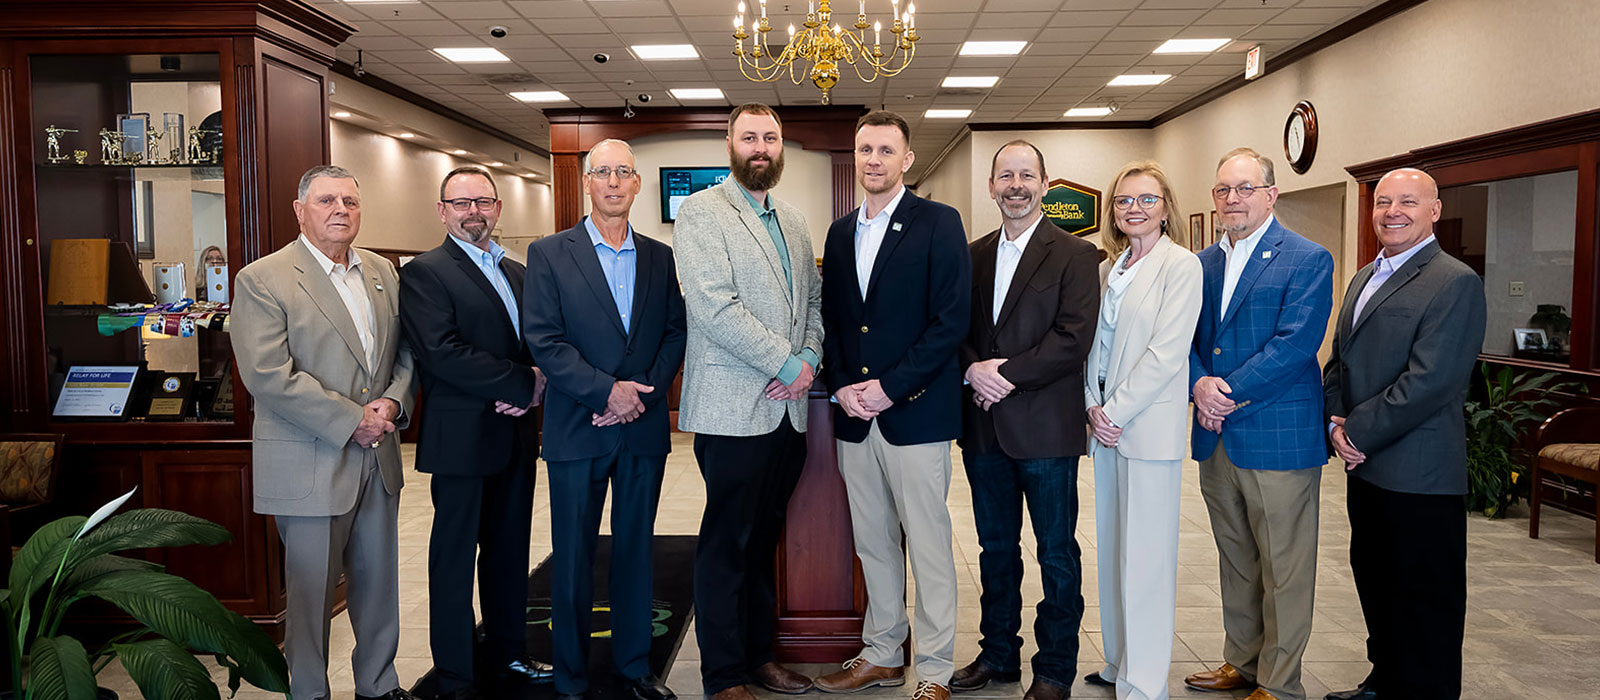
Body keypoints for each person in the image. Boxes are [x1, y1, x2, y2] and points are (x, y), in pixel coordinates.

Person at [232, 165, 416, 700]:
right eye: (327, 201)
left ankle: (378, 685)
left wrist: (391, 402)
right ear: (300, 210)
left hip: (377, 456)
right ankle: (309, 691)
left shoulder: (382, 271)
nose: (341, 210)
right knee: (311, 594)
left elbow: (404, 352)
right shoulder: (263, 278)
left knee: (378, 583)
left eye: (351, 202)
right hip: (309, 461)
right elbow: (267, 375)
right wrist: (351, 419)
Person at [814, 110, 971, 700]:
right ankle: (882, 653)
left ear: (907, 159)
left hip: (915, 412)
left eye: (885, 150)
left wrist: (888, 388)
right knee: (872, 542)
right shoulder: (838, 231)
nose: (873, 160)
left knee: (927, 544)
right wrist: (841, 384)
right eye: (864, 150)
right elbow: (831, 320)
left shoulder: (937, 222)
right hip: (855, 417)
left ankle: (932, 668)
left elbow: (948, 322)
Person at [524, 139, 687, 700]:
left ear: (638, 183)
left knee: (636, 550)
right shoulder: (549, 253)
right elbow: (544, 339)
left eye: (624, 172)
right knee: (572, 555)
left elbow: (674, 332)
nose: (613, 182)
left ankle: (635, 667)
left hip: (640, 427)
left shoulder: (661, 256)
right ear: (586, 183)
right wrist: (605, 393)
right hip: (577, 427)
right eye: (602, 172)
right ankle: (570, 676)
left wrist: (638, 397)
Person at [674, 103, 823, 700]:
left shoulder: (792, 219)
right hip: (734, 406)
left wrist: (808, 363)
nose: (760, 146)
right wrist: (788, 364)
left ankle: (761, 656)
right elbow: (714, 307)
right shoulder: (701, 212)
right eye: (748, 137)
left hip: (788, 408)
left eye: (770, 137)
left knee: (765, 541)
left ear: (781, 146)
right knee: (726, 542)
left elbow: (812, 304)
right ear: (729, 145)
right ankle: (723, 673)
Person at [1321, 168, 1484, 700]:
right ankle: (1385, 681)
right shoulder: (1364, 275)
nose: (1392, 211)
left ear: (1434, 210)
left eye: (1408, 202)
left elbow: (1431, 381)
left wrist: (1356, 430)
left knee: (1424, 600)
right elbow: (1340, 359)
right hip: (1367, 469)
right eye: (1383, 202)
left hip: (1420, 474)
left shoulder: (1455, 281)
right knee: (1376, 582)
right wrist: (1334, 419)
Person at [397, 166, 554, 700]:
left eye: (483, 202)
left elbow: (536, 341)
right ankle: (457, 672)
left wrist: (538, 382)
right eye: (461, 203)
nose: (474, 212)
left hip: (515, 437)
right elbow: (441, 352)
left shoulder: (518, 271)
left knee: (510, 552)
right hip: (461, 439)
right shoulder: (425, 272)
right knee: (454, 557)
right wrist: (520, 384)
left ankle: (509, 653)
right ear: (442, 211)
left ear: (498, 208)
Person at [1184, 148, 1334, 700]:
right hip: (1214, 434)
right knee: (1237, 560)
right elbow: (1188, 340)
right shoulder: (1201, 264)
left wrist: (1224, 393)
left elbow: (1295, 347)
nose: (1232, 199)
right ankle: (1240, 662)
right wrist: (1200, 383)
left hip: (1276, 435)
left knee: (1284, 569)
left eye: (1245, 188)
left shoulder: (1307, 258)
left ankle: (1279, 681)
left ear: (1271, 194)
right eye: (1223, 190)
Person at [951, 140, 1099, 700]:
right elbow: (954, 333)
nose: (1016, 184)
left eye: (1026, 175)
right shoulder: (972, 254)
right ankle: (999, 654)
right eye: (1005, 176)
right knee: (995, 549)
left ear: (1044, 183)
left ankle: (1056, 666)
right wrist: (974, 372)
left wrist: (1003, 373)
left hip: (1045, 431)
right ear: (991, 186)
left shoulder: (1076, 254)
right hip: (985, 428)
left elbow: (1072, 339)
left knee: (1056, 552)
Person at [1083, 161, 1202, 700]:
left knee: (1148, 559)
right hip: (1104, 427)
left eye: (1146, 199)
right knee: (1113, 549)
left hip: (1144, 430)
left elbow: (1167, 353)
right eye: (1124, 200)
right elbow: (1094, 347)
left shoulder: (1183, 267)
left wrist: (1115, 412)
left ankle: (1145, 679)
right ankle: (1118, 660)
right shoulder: (1112, 269)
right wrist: (1092, 405)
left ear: (1166, 206)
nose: (1134, 208)